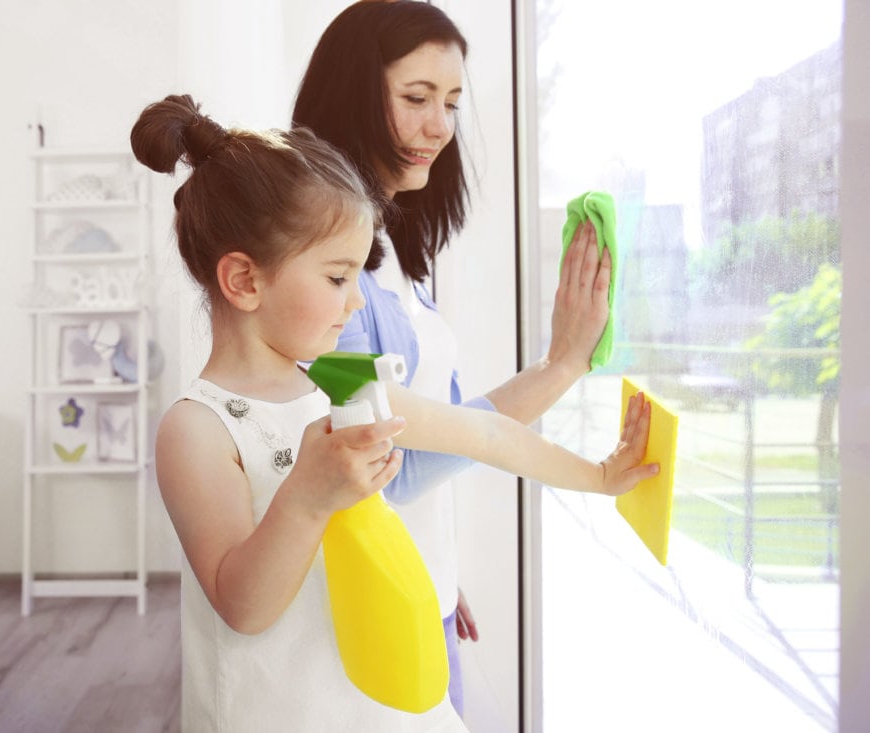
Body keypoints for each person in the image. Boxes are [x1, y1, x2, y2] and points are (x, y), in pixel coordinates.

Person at [132, 93, 655, 731]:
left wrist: (599, 476)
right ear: (244, 280)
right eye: (336, 277)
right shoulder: (197, 428)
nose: (355, 304)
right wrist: (306, 496)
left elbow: (482, 431)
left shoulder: (342, 386)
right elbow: (242, 606)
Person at [292, 0, 615, 715]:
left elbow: (436, 432)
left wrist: (439, 565)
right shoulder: (328, 274)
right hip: (375, 611)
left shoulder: (401, 258)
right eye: (416, 98)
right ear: (353, 94)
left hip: (422, 587)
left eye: (452, 102)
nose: (440, 126)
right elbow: (391, 462)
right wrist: (559, 366)